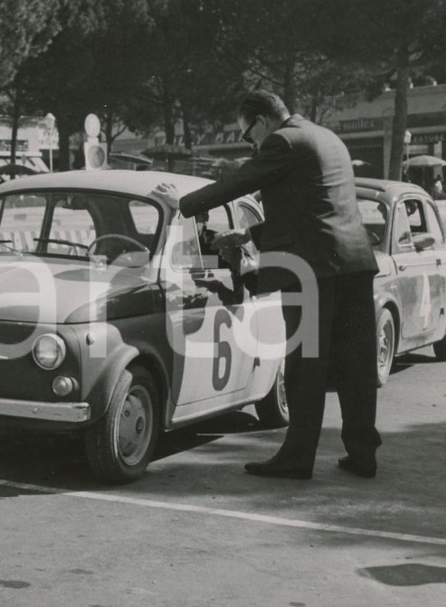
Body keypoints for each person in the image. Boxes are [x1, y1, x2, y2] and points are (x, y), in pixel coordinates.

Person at [154, 90, 381, 480]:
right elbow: (314, 210)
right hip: (355, 265)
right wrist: (248, 236)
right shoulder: (327, 138)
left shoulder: (283, 140)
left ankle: (296, 459)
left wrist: (184, 203)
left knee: (305, 367)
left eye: (247, 134)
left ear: (261, 121)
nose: (251, 143)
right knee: (356, 366)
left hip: (312, 273)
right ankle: (363, 454)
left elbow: (242, 181)